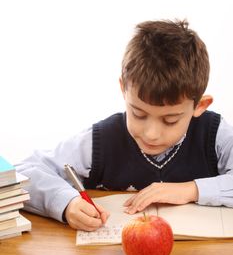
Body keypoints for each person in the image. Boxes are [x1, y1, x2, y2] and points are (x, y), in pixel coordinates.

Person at [17, 19, 233, 232]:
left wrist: (190, 190)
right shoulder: (102, 141)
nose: (151, 134)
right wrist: (66, 203)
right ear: (124, 88)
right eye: (138, 114)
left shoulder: (214, 135)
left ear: (200, 105)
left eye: (170, 120)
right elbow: (24, 172)